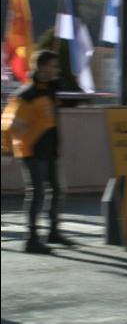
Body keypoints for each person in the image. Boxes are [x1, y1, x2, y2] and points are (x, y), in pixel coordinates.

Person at [2, 50, 73, 253]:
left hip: (50, 150)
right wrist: (13, 146)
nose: (56, 69)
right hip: (32, 151)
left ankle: (53, 232)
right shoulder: (26, 95)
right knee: (37, 194)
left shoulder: (50, 90)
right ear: (41, 67)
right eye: (52, 65)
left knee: (57, 190)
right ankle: (31, 239)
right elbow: (10, 123)